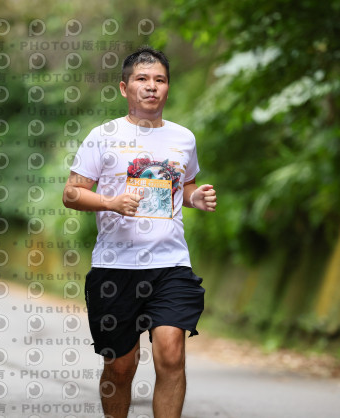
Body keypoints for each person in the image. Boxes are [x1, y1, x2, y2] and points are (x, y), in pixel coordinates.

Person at [63, 46, 217, 418]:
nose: (151, 86)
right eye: (142, 79)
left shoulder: (183, 138)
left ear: (168, 87)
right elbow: (71, 194)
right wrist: (111, 202)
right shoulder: (103, 136)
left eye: (159, 80)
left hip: (171, 264)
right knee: (120, 367)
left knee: (171, 354)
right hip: (115, 268)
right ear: (124, 87)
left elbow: (184, 186)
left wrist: (195, 197)